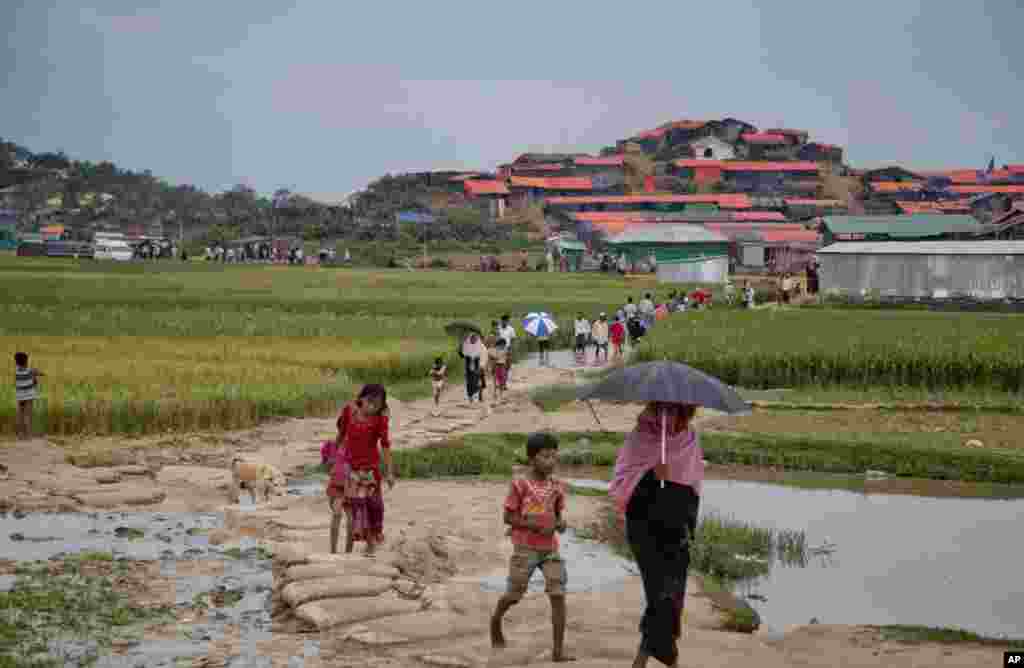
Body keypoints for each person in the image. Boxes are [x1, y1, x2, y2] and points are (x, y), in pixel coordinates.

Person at [610, 403, 702, 668]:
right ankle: (654, 661)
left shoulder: (691, 437)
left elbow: (694, 481)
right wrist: (651, 475)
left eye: (683, 413)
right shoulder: (641, 435)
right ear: (658, 409)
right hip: (645, 527)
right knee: (660, 595)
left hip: (676, 528)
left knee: (672, 597)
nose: (678, 419)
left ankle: (658, 659)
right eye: (671, 412)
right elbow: (622, 480)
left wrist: (688, 524)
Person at [491, 432, 572, 663]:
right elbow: (508, 517)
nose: (552, 461)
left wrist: (560, 524)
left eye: (554, 456)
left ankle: (558, 652)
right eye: (546, 456)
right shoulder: (520, 484)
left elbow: (557, 516)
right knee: (514, 594)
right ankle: (496, 619)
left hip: (550, 549)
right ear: (531, 458)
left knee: (558, 593)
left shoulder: (557, 486)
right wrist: (534, 524)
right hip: (525, 547)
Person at [326, 384, 395, 555]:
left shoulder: (380, 420)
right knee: (360, 508)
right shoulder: (349, 411)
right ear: (361, 398)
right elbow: (341, 434)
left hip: (371, 470)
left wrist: (390, 472)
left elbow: (385, 446)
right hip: (352, 470)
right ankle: (369, 543)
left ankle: (374, 538)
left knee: (375, 506)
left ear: (381, 405)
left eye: (377, 404)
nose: (372, 406)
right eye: (370, 401)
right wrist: (333, 456)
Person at [14, 352, 44, 440]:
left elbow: (17, 383)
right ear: (26, 361)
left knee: (20, 415)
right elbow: (38, 374)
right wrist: (37, 377)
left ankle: (20, 434)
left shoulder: (16, 371)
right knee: (28, 415)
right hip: (29, 396)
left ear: (16, 362)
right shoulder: (30, 370)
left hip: (19, 396)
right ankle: (28, 435)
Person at [461, 333, 487, 404]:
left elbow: (484, 357)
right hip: (468, 367)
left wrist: (482, 366)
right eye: (472, 338)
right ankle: (470, 397)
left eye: (475, 338)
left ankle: (478, 396)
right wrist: (462, 341)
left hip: (478, 366)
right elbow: (463, 354)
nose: (473, 340)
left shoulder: (481, 347)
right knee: (469, 383)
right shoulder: (466, 345)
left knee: (477, 382)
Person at [491, 339, 510, 403]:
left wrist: (508, 366)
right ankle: (495, 393)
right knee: (496, 380)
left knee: (502, 380)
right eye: (502, 344)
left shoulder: (506, 350)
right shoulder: (495, 350)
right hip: (497, 365)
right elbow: (493, 359)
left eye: (504, 344)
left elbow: (507, 358)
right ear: (499, 344)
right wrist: (493, 367)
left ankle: (500, 395)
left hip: (502, 366)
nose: (503, 345)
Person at [499, 315, 516, 382]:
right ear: (501, 321)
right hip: (499, 349)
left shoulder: (511, 329)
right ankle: (503, 381)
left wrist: (511, 349)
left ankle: (504, 378)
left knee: (508, 366)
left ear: (508, 321)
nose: (505, 322)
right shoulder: (498, 329)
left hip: (508, 349)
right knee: (501, 365)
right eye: (503, 321)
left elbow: (513, 339)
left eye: (506, 321)